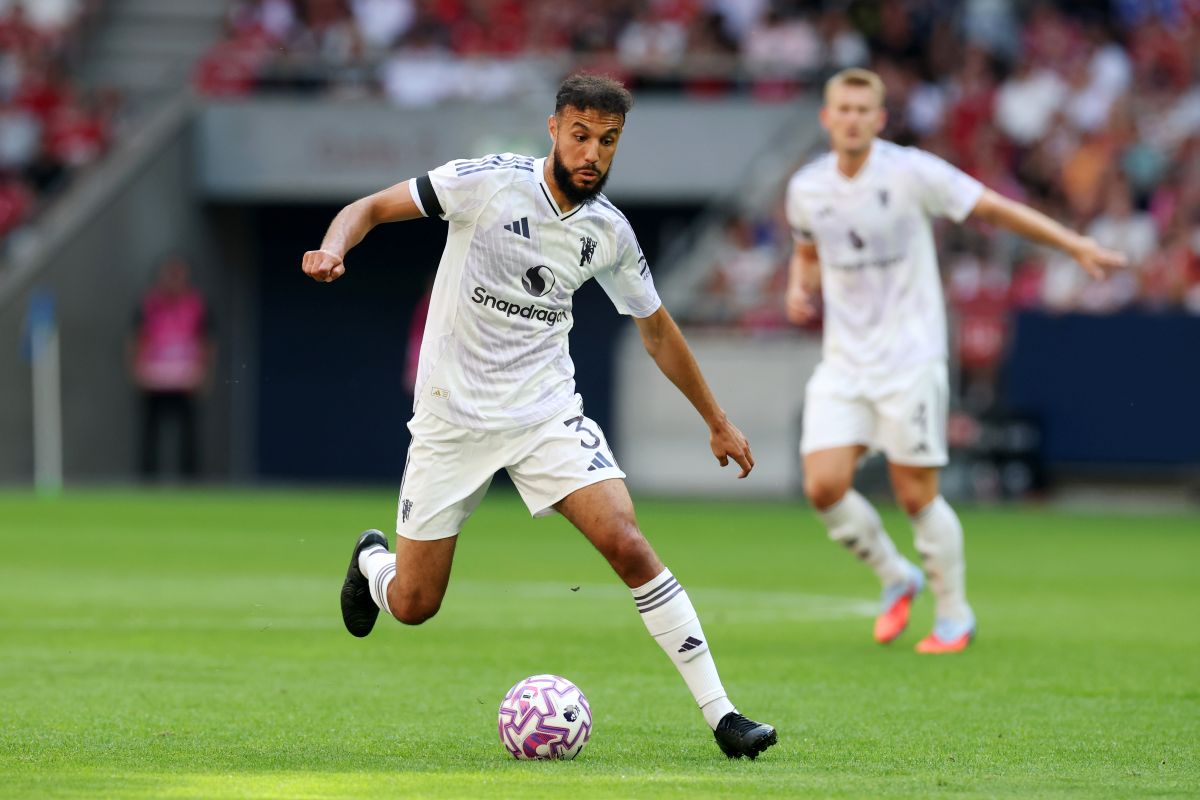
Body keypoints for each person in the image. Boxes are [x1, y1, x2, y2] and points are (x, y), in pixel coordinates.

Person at [302, 74, 777, 759]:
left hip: (544, 414)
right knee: (413, 603)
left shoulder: (608, 232)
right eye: (580, 136)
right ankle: (374, 563)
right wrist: (333, 248)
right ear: (553, 130)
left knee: (628, 543)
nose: (592, 153)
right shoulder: (485, 182)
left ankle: (724, 716)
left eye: (607, 141)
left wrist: (717, 419)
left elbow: (657, 331)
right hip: (452, 419)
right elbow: (368, 207)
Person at [784, 68, 1126, 654]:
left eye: (864, 109)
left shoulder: (912, 171)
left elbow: (992, 207)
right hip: (844, 362)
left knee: (915, 494)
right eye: (843, 108)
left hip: (911, 358)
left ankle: (953, 614)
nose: (852, 118)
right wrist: (799, 285)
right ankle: (897, 575)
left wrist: (1074, 245)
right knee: (823, 486)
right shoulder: (807, 187)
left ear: (880, 119)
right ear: (826, 117)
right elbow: (806, 248)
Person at [128, 256, 213, 480]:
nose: (174, 280)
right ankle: (148, 481)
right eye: (170, 274)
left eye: (178, 274)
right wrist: (137, 369)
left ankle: (190, 483)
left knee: (188, 435)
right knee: (150, 434)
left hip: (185, 380)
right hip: (155, 379)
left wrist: (204, 373)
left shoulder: (196, 304)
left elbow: (206, 341)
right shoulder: (149, 304)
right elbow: (137, 338)